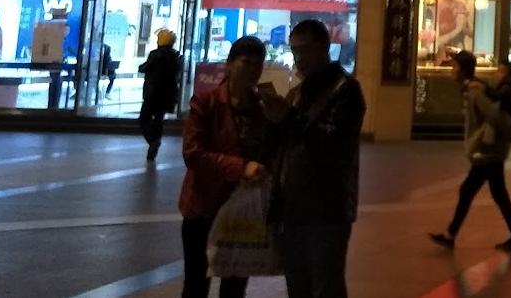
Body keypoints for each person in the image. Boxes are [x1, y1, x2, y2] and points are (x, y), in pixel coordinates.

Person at [263, 18, 367, 298]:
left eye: (305, 50)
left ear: (324, 48)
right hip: (292, 206)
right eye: (295, 51)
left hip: (327, 208)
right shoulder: (299, 92)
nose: (299, 59)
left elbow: (330, 142)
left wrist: (287, 118)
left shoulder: (345, 90)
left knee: (325, 284)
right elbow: (286, 144)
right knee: (298, 284)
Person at [179, 37, 272, 298]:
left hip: (244, 210)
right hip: (203, 208)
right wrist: (241, 167)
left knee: (235, 286)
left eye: (258, 64)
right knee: (197, 283)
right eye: (246, 62)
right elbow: (193, 154)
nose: (253, 69)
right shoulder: (206, 102)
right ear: (229, 65)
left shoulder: (263, 107)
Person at [430, 54, 511, 250]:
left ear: (463, 69)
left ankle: (451, 235)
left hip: (488, 151)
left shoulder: (475, 92)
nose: (451, 69)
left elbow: (493, 116)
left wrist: (482, 138)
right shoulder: (473, 89)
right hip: (490, 151)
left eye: (454, 65)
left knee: (469, 190)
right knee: (496, 192)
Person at [139, 27, 185, 163]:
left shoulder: (156, 54)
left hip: (153, 93)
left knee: (144, 119)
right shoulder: (177, 56)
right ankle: (155, 143)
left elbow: (144, 68)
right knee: (159, 120)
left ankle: (152, 140)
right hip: (168, 95)